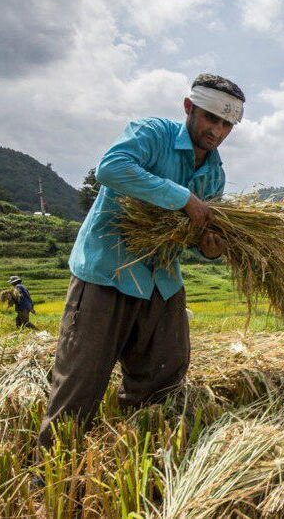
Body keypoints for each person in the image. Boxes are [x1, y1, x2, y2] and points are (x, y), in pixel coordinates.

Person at [36, 73, 244, 454]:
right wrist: (180, 196)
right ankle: (46, 481)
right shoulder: (152, 133)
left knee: (162, 379)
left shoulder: (214, 173)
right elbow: (111, 168)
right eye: (210, 118)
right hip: (107, 273)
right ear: (188, 108)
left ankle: (136, 462)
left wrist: (211, 247)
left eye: (227, 123)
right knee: (79, 383)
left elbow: (198, 237)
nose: (217, 130)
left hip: (162, 282)